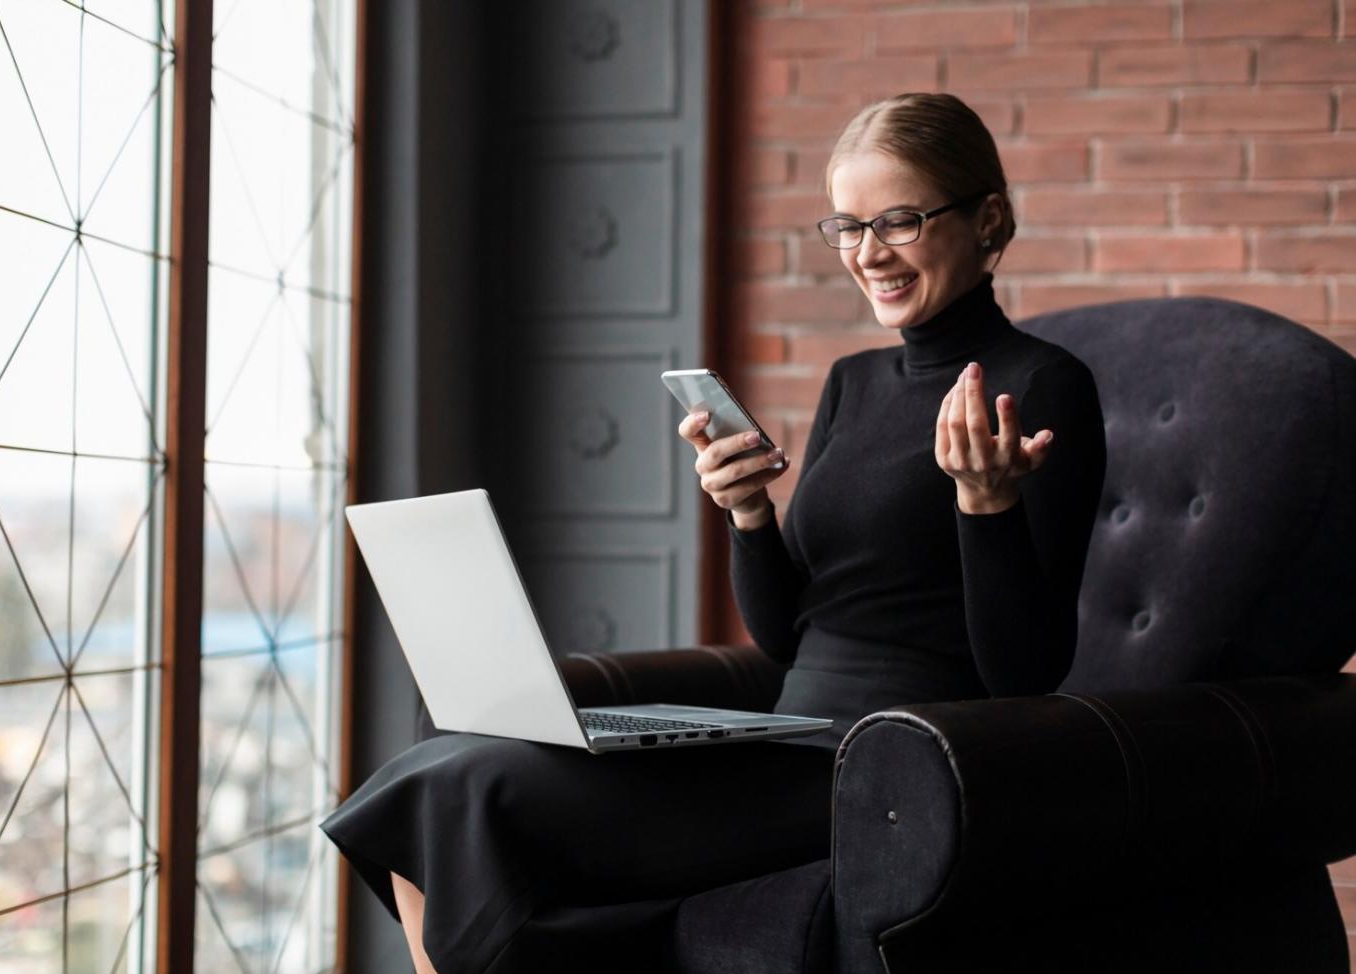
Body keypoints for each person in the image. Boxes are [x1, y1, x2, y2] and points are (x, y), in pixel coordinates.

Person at [320, 91, 1106, 974]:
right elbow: (784, 636)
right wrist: (748, 515)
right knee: (432, 776)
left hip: (879, 772)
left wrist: (984, 507)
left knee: (469, 790)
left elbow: (1027, 675)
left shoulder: (1042, 386)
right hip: (777, 739)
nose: (868, 253)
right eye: (846, 226)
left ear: (987, 219)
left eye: (900, 220)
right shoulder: (853, 381)